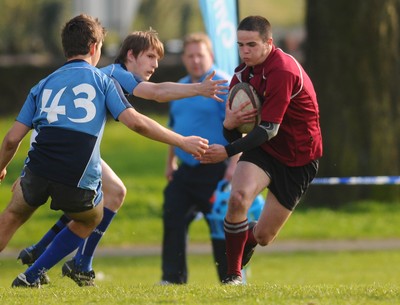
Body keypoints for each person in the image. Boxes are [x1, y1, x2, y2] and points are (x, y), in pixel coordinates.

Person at [0, 14, 209, 288]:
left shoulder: (43, 84)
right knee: (93, 210)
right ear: (95, 48)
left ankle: (50, 253)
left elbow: (12, 139)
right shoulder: (107, 77)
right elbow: (148, 106)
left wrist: (8, 166)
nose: (156, 65)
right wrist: (186, 127)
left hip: (42, 155)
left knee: (17, 215)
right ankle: (49, 266)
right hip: (74, 157)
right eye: (150, 57)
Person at [197, 15, 323, 285]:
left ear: (269, 43)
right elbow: (237, 130)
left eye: (251, 45)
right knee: (238, 198)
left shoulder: (283, 71)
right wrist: (229, 124)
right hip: (263, 149)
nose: (245, 52)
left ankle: (246, 241)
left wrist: (228, 150)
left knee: (264, 236)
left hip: (299, 157)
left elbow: (268, 128)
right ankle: (232, 275)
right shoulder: (242, 74)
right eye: (240, 45)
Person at [159, 32, 243, 285]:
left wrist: (233, 167)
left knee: (221, 226)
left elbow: (240, 131)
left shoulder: (224, 85)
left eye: (200, 55)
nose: (196, 60)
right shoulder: (181, 87)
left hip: (218, 170)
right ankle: (172, 279)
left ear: (211, 56)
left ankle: (231, 278)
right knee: (173, 215)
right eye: (190, 55)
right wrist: (170, 162)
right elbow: (174, 129)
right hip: (186, 169)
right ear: (184, 58)